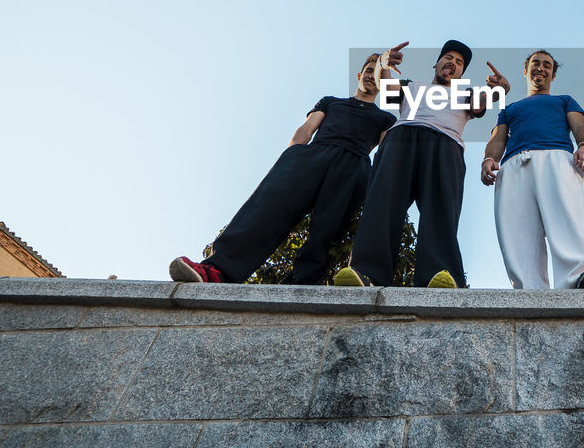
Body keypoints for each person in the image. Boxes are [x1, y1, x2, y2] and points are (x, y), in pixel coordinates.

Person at [169, 53, 396, 285]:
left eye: (375, 73)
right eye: (368, 70)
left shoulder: (385, 118)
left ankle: (303, 284)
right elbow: (307, 128)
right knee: (267, 207)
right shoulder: (331, 101)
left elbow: (387, 153)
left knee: (327, 231)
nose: (370, 76)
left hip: (353, 166)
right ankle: (217, 270)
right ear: (359, 75)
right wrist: (292, 157)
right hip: (314, 154)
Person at [334, 39, 509, 288]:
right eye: (448, 57)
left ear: (461, 74)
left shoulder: (464, 94)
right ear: (437, 63)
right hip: (402, 140)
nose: (453, 63)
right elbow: (387, 86)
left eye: (459, 62)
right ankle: (367, 272)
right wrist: (382, 64)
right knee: (383, 204)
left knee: (440, 212)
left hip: (445, 146)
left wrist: (499, 90)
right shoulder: (412, 87)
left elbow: (482, 101)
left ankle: (438, 274)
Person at [482, 49, 584, 289]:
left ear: (553, 75)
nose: (541, 68)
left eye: (547, 65)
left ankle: (581, 276)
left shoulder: (563, 100)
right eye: (536, 63)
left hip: (557, 159)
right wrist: (488, 159)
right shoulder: (509, 109)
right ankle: (529, 287)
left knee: (569, 217)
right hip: (515, 165)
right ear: (526, 70)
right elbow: (498, 138)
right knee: (518, 230)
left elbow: (579, 124)